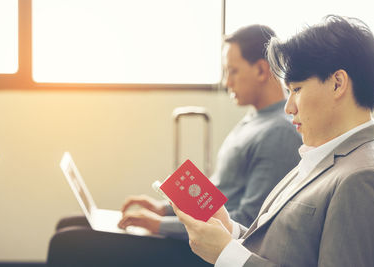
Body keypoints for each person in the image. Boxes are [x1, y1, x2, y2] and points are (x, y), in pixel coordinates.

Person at [173, 15, 374, 267]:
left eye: (297, 89)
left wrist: (226, 255)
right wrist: (230, 230)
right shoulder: (321, 155)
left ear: (337, 84)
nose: (289, 107)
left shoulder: (362, 177)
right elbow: (283, 245)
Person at [117, 24, 302, 239]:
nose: (227, 82)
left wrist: (161, 225)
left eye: (233, 71)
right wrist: (163, 210)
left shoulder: (279, 133)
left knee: (74, 236)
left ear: (261, 70)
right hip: (200, 237)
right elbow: (215, 201)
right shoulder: (255, 120)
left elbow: (248, 223)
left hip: (206, 250)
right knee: (74, 225)